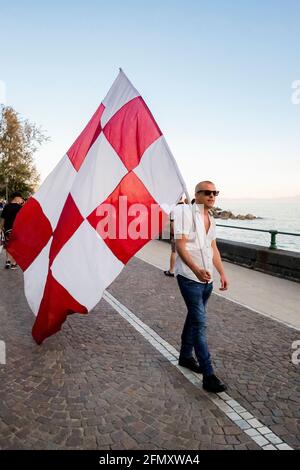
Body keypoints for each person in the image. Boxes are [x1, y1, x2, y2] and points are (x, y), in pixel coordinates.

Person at [174, 181, 229, 393]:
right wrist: (196, 269)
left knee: (194, 318)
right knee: (200, 323)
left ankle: (186, 356)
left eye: (215, 192)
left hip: (208, 279)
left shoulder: (211, 218)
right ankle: (208, 374)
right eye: (207, 192)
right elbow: (180, 245)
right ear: (196, 195)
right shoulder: (184, 213)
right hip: (189, 277)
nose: (212, 196)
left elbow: (213, 247)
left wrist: (222, 272)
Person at [0, 192, 24, 269]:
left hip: (7, 229)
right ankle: (14, 263)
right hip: (17, 230)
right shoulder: (20, 207)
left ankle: (7, 262)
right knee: (15, 246)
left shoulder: (6, 207)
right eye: (20, 198)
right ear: (17, 198)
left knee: (8, 245)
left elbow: (3, 219)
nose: (21, 200)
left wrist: (1, 228)